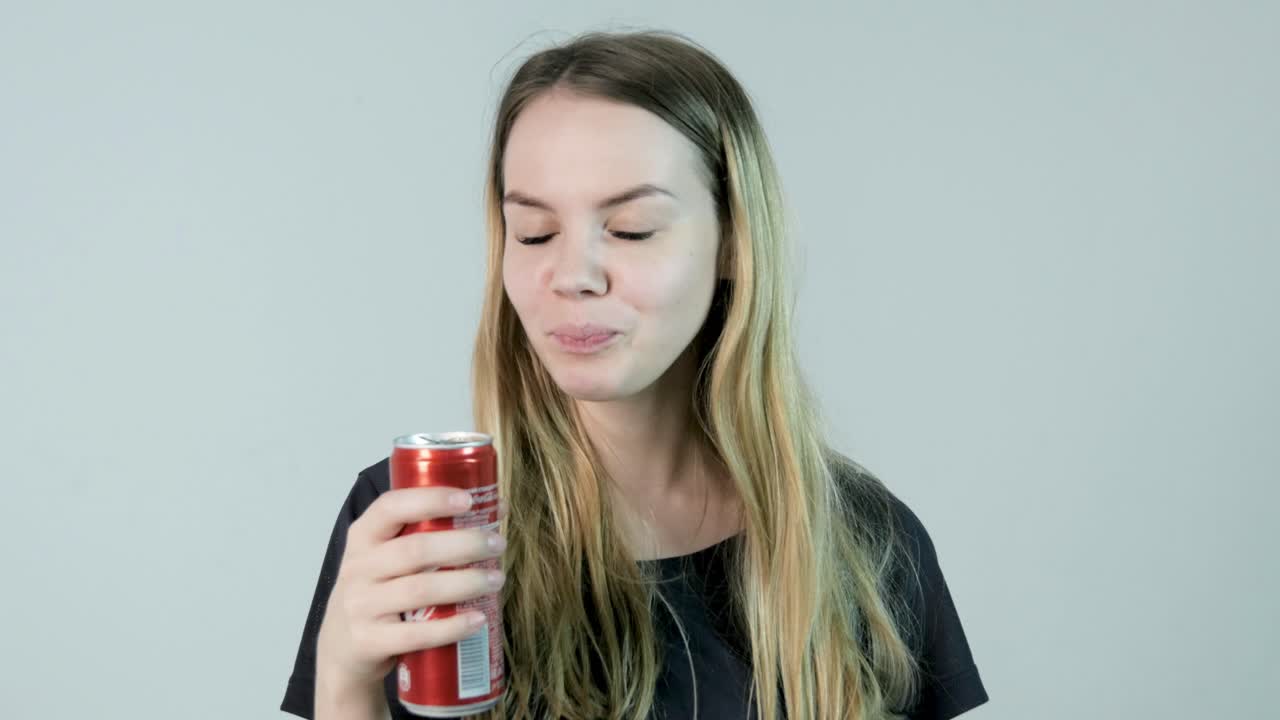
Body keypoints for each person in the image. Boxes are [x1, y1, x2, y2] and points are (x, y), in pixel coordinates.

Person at [282, 28, 989, 720]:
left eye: (632, 229)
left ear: (733, 244)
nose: (573, 275)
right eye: (534, 232)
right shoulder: (412, 521)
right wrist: (344, 681)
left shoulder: (867, 541)